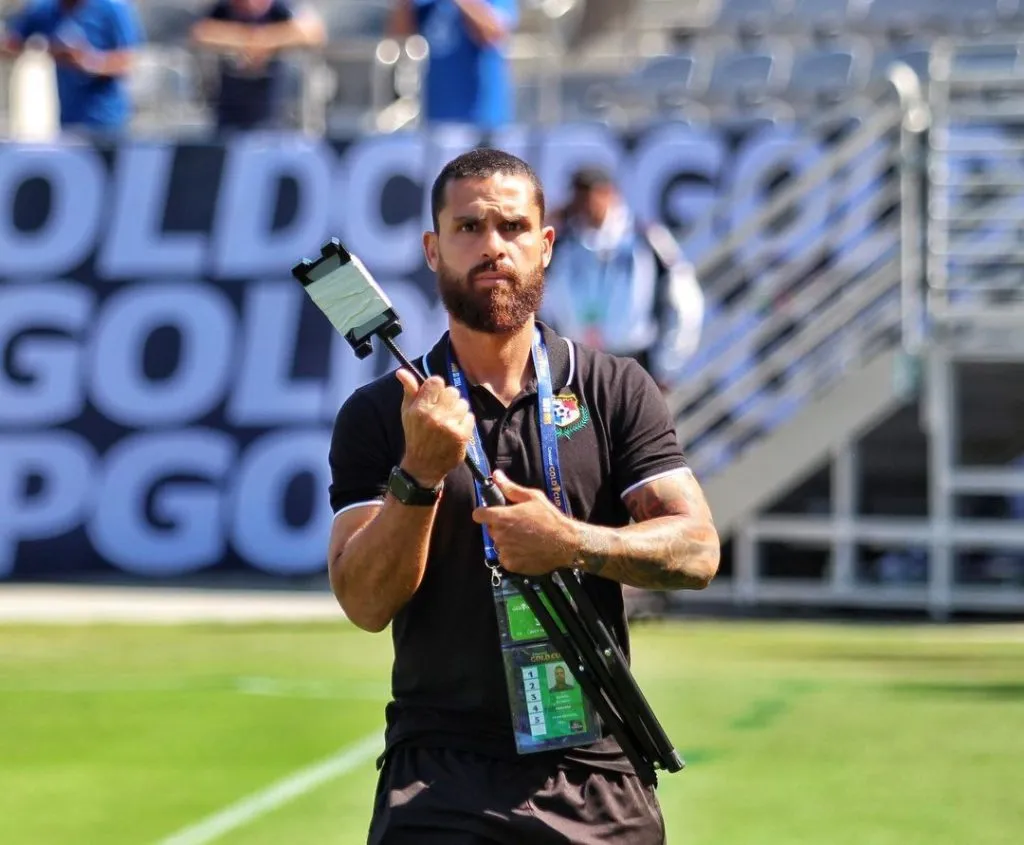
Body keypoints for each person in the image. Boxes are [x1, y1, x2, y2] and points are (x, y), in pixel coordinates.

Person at [327, 147, 720, 844]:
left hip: (596, 765)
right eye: (469, 227)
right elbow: (363, 600)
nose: (492, 246)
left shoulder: (614, 388)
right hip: (439, 774)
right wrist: (416, 475)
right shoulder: (379, 413)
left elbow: (696, 549)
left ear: (545, 245)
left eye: (511, 227)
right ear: (432, 248)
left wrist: (572, 542)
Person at [542, 165, 706, 392]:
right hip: (577, 364)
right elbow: (539, 300)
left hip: (634, 362)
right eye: (577, 195)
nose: (582, 203)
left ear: (610, 193)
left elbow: (685, 301)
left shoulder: (646, 238)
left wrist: (667, 365)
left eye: (589, 194)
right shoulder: (561, 243)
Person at [0, 0, 143, 135]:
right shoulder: (45, 9)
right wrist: (45, 49)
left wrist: (87, 62)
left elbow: (128, 61)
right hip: (68, 121)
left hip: (106, 121)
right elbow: (12, 44)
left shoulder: (112, 8)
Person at [189, 0, 325, 133]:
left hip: (277, 115)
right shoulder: (222, 9)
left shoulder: (281, 8)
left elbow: (312, 31)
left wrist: (266, 40)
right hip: (229, 115)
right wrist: (246, 40)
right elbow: (199, 32)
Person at [386, 0, 517, 131]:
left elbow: (493, 33)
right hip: (435, 119)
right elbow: (398, 39)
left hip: (483, 120)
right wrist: (404, 4)